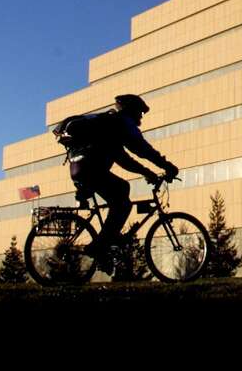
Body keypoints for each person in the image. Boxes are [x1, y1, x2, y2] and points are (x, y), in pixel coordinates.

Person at [67, 93, 178, 274]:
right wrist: (167, 166)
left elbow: (123, 159)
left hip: (81, 167)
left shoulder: (110, 128)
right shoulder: (122, 124)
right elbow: (142, 149)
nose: (141, 117)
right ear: (132, 110)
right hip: (90, 169)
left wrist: (147, 172)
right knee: (123, 203)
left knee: (122, 190)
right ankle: (99, 247)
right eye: (140, 113)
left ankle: (105, 242)